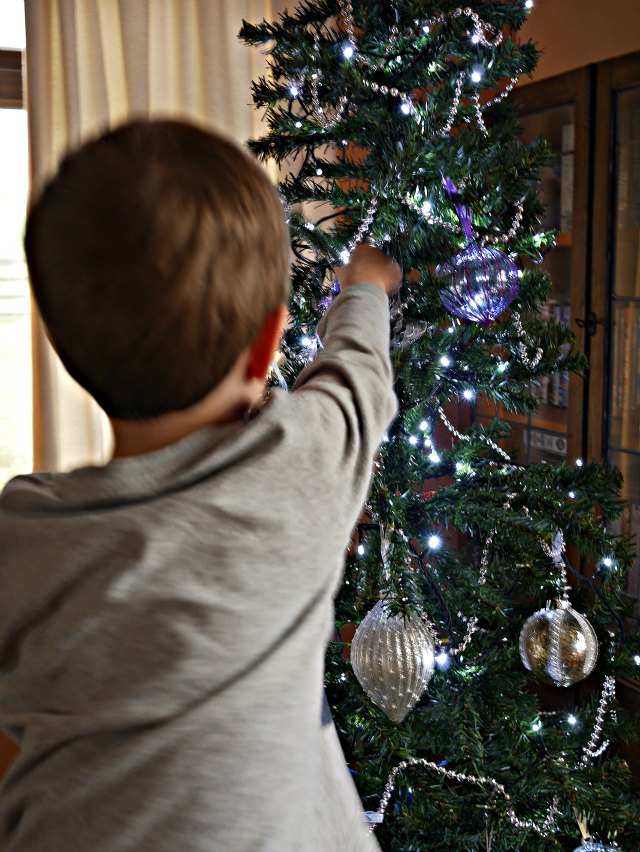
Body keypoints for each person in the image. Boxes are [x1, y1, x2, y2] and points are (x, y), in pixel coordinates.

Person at [0, 119, 400, 851]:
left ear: (66, 344)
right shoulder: (301, 464)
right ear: (268, 342)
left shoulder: (21, 534)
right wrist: (365, 288)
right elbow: (358, 374)